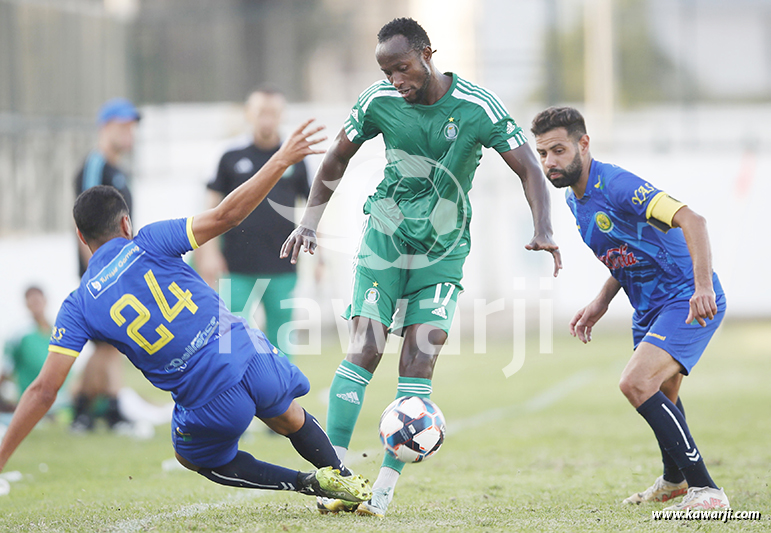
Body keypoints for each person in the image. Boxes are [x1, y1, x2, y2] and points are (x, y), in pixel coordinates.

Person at [0, 120, 372, 505]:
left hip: (208, 397)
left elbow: (45, 390)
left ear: (82, 237)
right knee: (287, 415)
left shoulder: (78, 305)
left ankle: (307, 482)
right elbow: (227, 215)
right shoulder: (150, 239)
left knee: (191, 455)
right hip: (248, 353)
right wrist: (280, 159)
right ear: (126, 223)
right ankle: (343, 479)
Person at [281, 18, 561, 516]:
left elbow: (529, 168)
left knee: (418, 360)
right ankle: (336, 477)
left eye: (403, 68)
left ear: (428, 54)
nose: (396, 81)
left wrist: (544, 227)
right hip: (385, 239)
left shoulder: (476, 107)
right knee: (365, 347)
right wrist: (309, 222)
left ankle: (382, 493)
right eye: (387, 72)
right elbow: (335, 161)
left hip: (443, 249)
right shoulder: (377, 102)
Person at [531, 106, 729, 511]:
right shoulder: (575, 200)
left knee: (635, 383)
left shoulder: (618, 184)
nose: (550, 162)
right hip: (649, 307)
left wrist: (702, 286)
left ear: (583, 144)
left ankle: (707, 491)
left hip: (683, 297)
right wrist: (600, 301)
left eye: (558, 150)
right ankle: (675, 482)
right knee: (663, 392)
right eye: (543, 154)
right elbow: (626, 254)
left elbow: (693, 220)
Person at [197, 89, 310, 356]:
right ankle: (233, 393)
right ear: (249, 114)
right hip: (236, 265)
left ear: (281, 115)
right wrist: (209, 253)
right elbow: (210, 206)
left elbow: (313, 206)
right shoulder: (229, 155)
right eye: (261, 113)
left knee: (282, 340)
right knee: (229, 339)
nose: (267, 120)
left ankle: (282, 396)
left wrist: (322, 256)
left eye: (273, 113)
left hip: (283, 264)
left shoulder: (297, 157)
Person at [71, 98, 141, 432]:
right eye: (123, 127)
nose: (130, 134)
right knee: (109, 339)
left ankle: (86, 410)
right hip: (101, 270)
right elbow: (86, 221)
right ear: (105, 128)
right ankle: (105, 409)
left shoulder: (117, 171)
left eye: (132, 128)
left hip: (115, 268)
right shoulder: (96, 166)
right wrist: (97, 272)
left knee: (108, 341)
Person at [2, 287, 69, 411]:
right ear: (27, 305)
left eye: (38, 301)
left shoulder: (60, 331)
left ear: (45, 301)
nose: (36, 305)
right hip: (33, 400)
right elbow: (6, 370)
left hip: (63, 399)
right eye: (32, 302)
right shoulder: (18, 335)